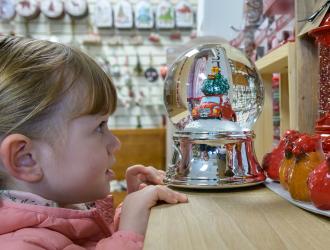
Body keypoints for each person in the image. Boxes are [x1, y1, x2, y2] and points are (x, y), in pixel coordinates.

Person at [0, 36, 188, 250]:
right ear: (26, 158)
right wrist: (130, 234)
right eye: (99, 127)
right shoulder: (17, 245)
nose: (115, 143)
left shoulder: (67, 209)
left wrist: (130, 213)